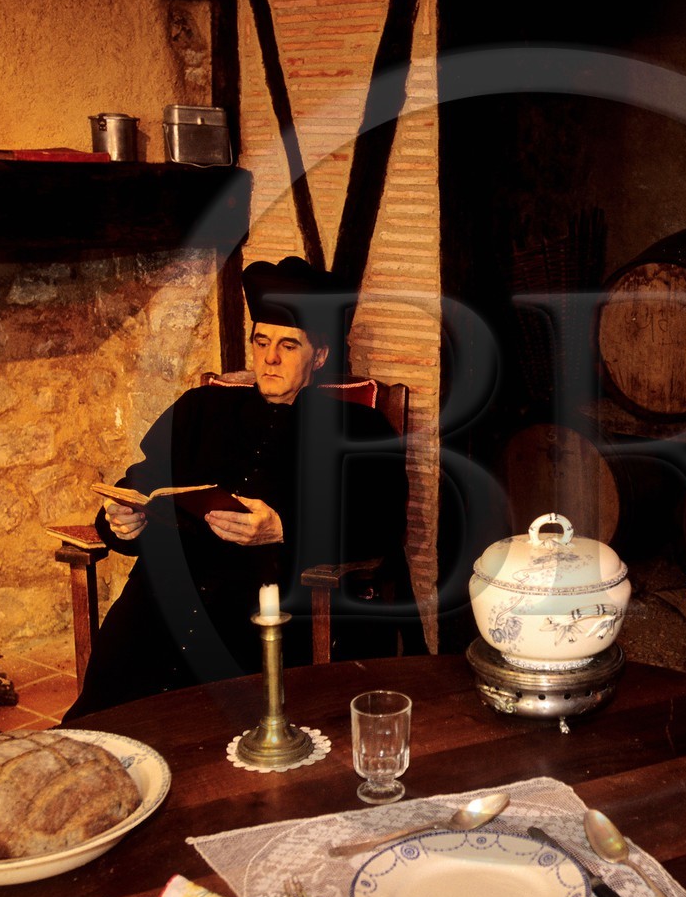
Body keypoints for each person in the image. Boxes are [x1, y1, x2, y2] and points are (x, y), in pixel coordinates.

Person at [64, 256, 420, 719]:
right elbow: (143, 481)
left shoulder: (361, 428)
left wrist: (284, 529)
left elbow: (381, 526)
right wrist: (121, 520)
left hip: (269, 608)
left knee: (220, 732)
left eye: (288, 345)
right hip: (163, 601)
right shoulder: (200, 408)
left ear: (319, 356)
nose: (270, 358)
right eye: (261, 341)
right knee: (107, 716)